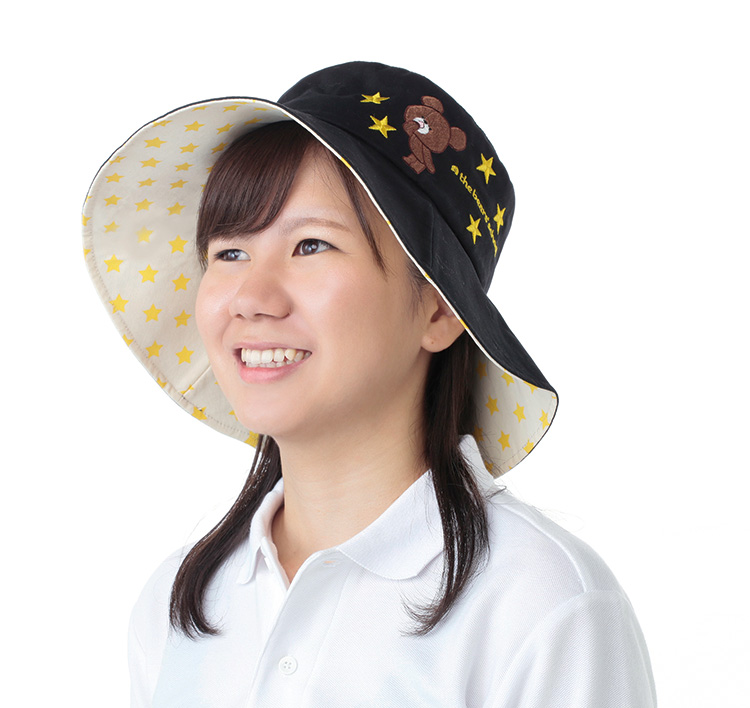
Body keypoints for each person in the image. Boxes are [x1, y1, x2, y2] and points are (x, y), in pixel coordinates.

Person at [82, 61, 656, 707]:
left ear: (438, 308)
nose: (251, 298)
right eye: (229, 252)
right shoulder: (180, 603)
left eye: (311, 246)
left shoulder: (542, 604)